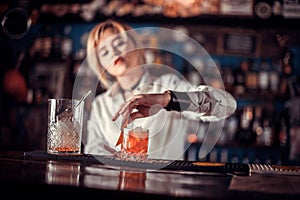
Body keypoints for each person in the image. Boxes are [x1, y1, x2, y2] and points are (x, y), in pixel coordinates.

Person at [84, 19, 237, 160]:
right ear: (101, 65)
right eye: (104, 52)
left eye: (118, 43)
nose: (113, 52)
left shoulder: (169, 84)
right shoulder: (100, 105)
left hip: (164, 187)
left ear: (136, 44)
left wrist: (168, 100)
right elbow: (94, 151)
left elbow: (227, 106)